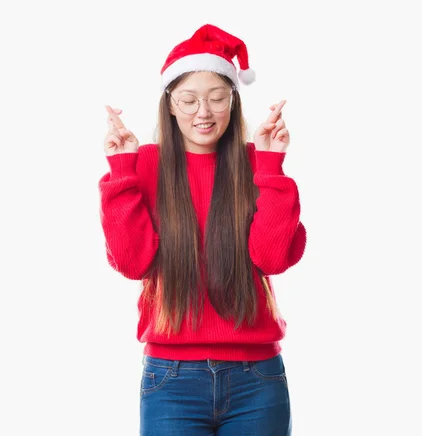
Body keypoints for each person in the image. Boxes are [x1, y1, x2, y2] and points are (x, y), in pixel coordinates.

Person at [98, 23, 306, 435]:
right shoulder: (142, 166)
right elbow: (133, 263)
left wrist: (271, 166)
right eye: (189, 100)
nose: (203, 113)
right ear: (170, 104)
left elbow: (272, 258)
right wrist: (121, 169)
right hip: (171, 380)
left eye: (216, 98)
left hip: (258, 380)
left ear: (233, 100)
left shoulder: (257, 164)